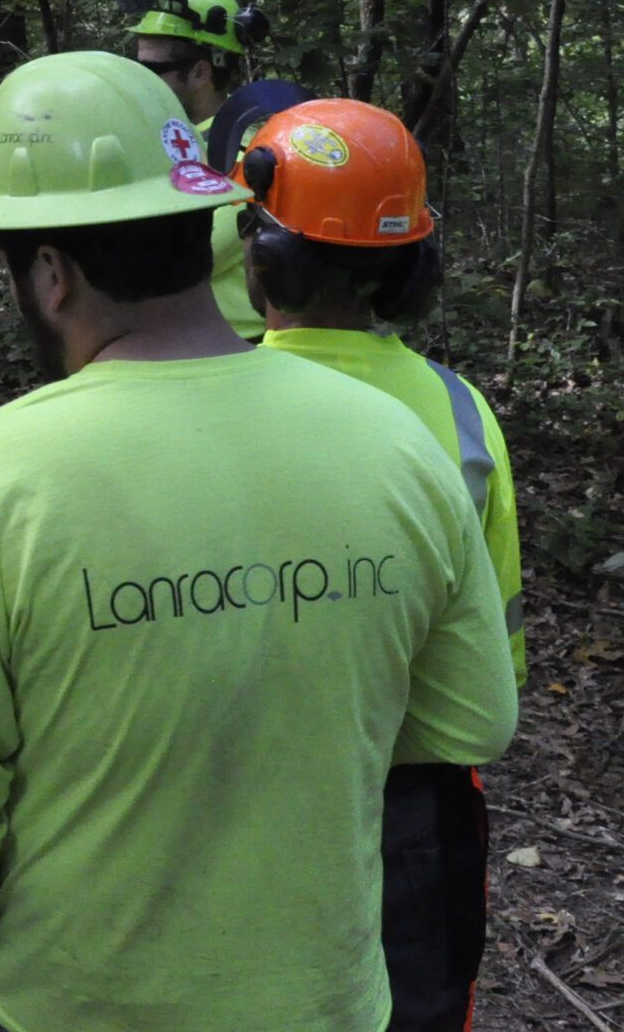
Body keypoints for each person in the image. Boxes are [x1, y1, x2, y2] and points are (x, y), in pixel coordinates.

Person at [0, 51, 518, 1032]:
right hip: (321, 1001)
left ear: (50, 274)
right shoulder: (399, 440)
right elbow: (471, 718)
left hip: (63, 1000)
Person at [243, 98, 527, 1031]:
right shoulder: (459, 412)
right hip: (412, 806)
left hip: (233, 792)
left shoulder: (198, 408)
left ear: (265, 259)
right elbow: (498, 668)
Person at [123, 0, 272, 338]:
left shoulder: (247, 152)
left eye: (151, 69)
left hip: (242, 348)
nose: (139, 81)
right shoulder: (155, 140)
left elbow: (190, 257)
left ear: (201, 72)